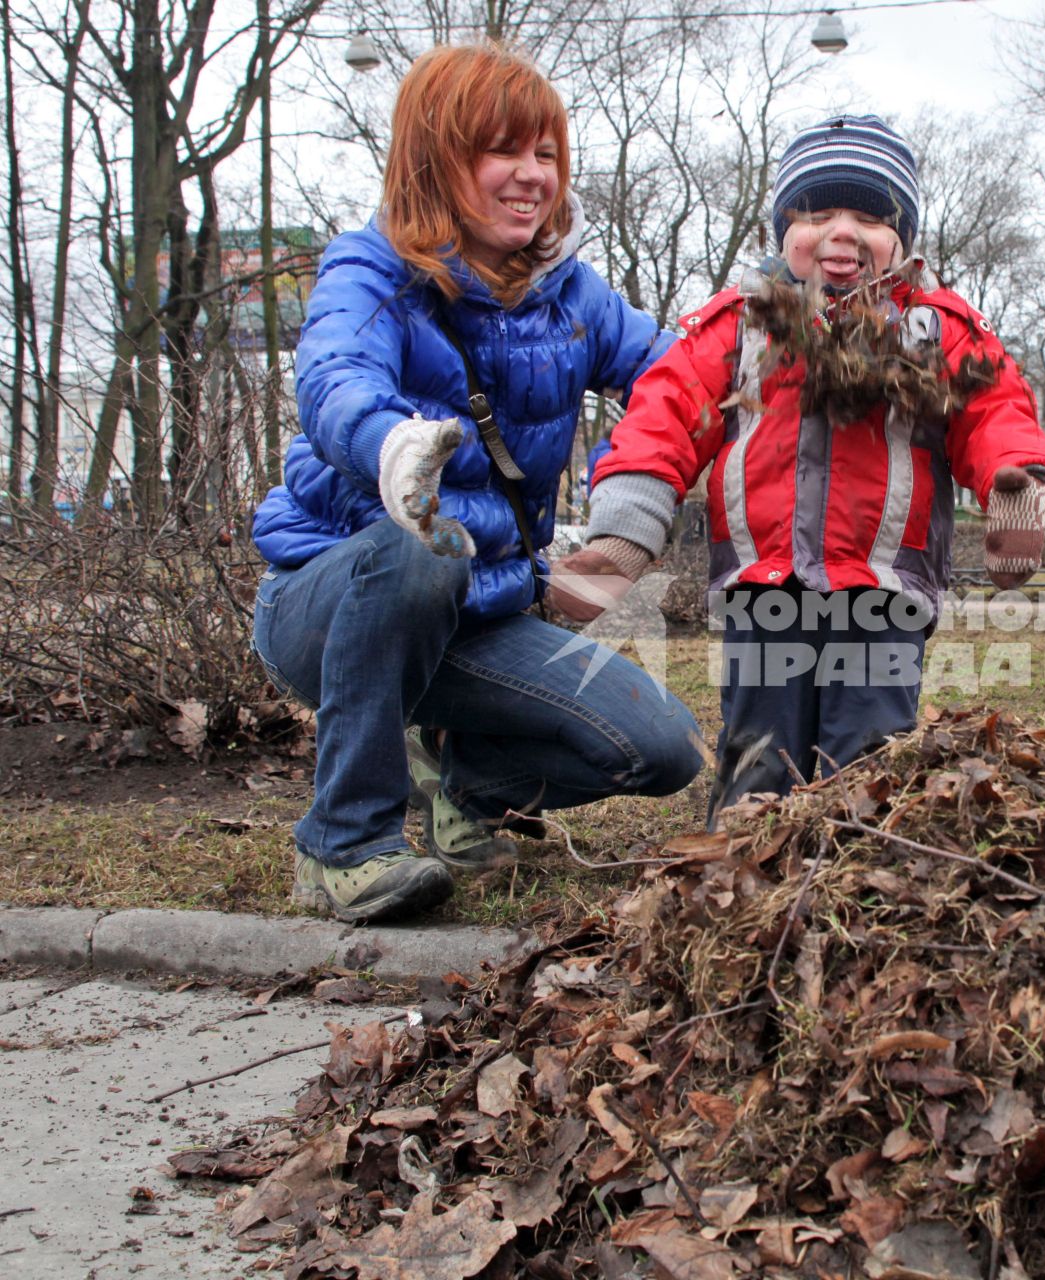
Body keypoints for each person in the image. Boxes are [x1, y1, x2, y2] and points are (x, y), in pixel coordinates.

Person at [250, 45, 704, 923]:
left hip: (480, 616)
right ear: (438, 160)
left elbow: (675, 379)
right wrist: (393, 449)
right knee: (423, 552)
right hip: (331, 601)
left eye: (545, 153)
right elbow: (333, 374)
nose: (532, 176)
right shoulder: (371, 268)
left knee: (664, 748)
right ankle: (344, 845)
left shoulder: (571, 294)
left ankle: (472, 791)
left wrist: (630, 508)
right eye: (504, 152)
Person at [551, 114, 1045, 815]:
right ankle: (739, 877)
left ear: (902, 239)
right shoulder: (737, 325)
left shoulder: (936, 328)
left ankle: (855, 887)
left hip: (881, 588)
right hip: (763, 585)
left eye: (868, 215)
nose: (842, 232)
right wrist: (627, 527)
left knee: (867, 757)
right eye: (818, 212)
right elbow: (663, 416)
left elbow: (995, 413)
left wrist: (1022, 489)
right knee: (758, 749)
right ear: (782, 231)